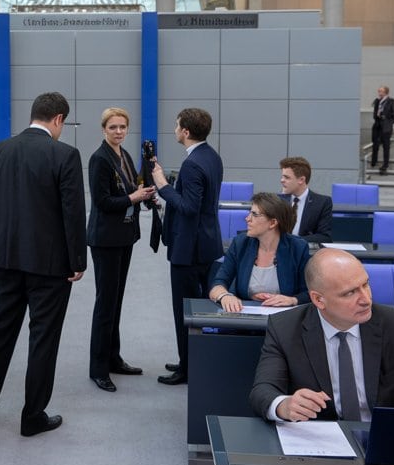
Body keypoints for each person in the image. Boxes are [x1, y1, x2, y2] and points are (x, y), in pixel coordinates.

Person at [0, 92, 86, 437]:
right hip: (50, 266)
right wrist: (78, 260)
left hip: (5, 260)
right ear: (59, 119)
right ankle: (32, 416)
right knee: (42, 339)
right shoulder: (65, 155)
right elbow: (72, 212)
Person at [248, 248, 394, 423]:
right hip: (319, 442)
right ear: (318, 300)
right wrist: (284, 405)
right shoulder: (286, 328)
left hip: (382, 441)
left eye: (366, 285)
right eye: (350, 293)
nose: (366, 299)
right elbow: (263, 390)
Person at [151, 107, 224, 386]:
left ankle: (187, 368)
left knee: (184, 309)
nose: (174, 128)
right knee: (200, 307)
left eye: (177, 124)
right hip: (206, 244)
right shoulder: (211, 156)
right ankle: (189, 359)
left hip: (189, 249)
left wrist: (162, 186)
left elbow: (189, 207)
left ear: (185, 131)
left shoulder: (193, 164)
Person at [85, 107, 154, 392]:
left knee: (116, 301)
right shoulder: (99, 159)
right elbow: (102, 202)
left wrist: (144, 193)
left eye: (122, 127)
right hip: (105, 239)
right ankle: (98, 368)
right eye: (113, 127)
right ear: (104, 130)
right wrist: (133, 197)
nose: (118, 131)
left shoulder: (124, 155)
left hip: (124, 236)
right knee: (105, 304)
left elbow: (132, 187)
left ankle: (114, 357)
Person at [209, 192, 310, 312]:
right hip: (245, 320)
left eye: (254, 214)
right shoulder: (240, 244)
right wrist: (225, 296)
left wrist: (293, 300)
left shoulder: (297, 248)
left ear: (272, 223)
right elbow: (218, 284)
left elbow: (310, 293)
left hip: (284, 321)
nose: (247, 219)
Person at [278, 156, 332, 243]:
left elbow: (325, 237)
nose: (282, 180)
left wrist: (294, 241)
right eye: (282, 177)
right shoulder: (277, 200)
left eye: (286, 177)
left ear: (301, 180)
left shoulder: (322, 203)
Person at [370, 85, 394, 174]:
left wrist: (386, 120)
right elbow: (374, 115)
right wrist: (378, 116)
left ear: (386, 92)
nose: (379, 93)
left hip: (386, 127)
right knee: (375, 144)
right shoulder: (377, 101)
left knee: (386, 146)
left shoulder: (391, 102)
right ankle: (373, 162)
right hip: (377, 126)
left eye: (381, 91)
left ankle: (385, 164)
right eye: (379, 91)